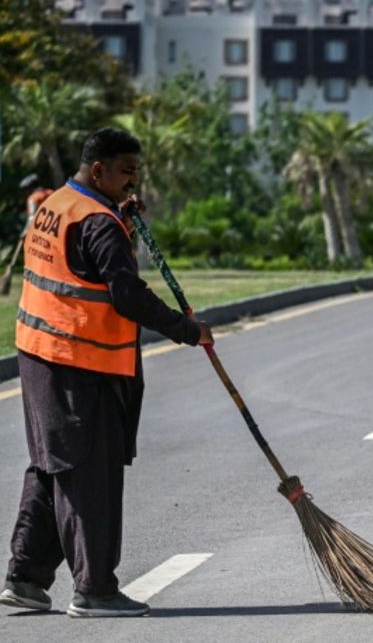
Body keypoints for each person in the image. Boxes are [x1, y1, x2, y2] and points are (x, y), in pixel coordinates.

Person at [1, 128, 213, 618]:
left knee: (53, 466)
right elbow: (127, 294)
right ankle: (95, 590)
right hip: (79, 364)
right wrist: (188, 329)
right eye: (126, 172)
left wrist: (125, 226)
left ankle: (26, 578)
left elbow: (84, 272)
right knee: (87, 474)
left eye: (136, 172)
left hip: (39, 354)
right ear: (98, 170)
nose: (133, 183)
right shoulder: (98, 222)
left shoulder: (58, 202)